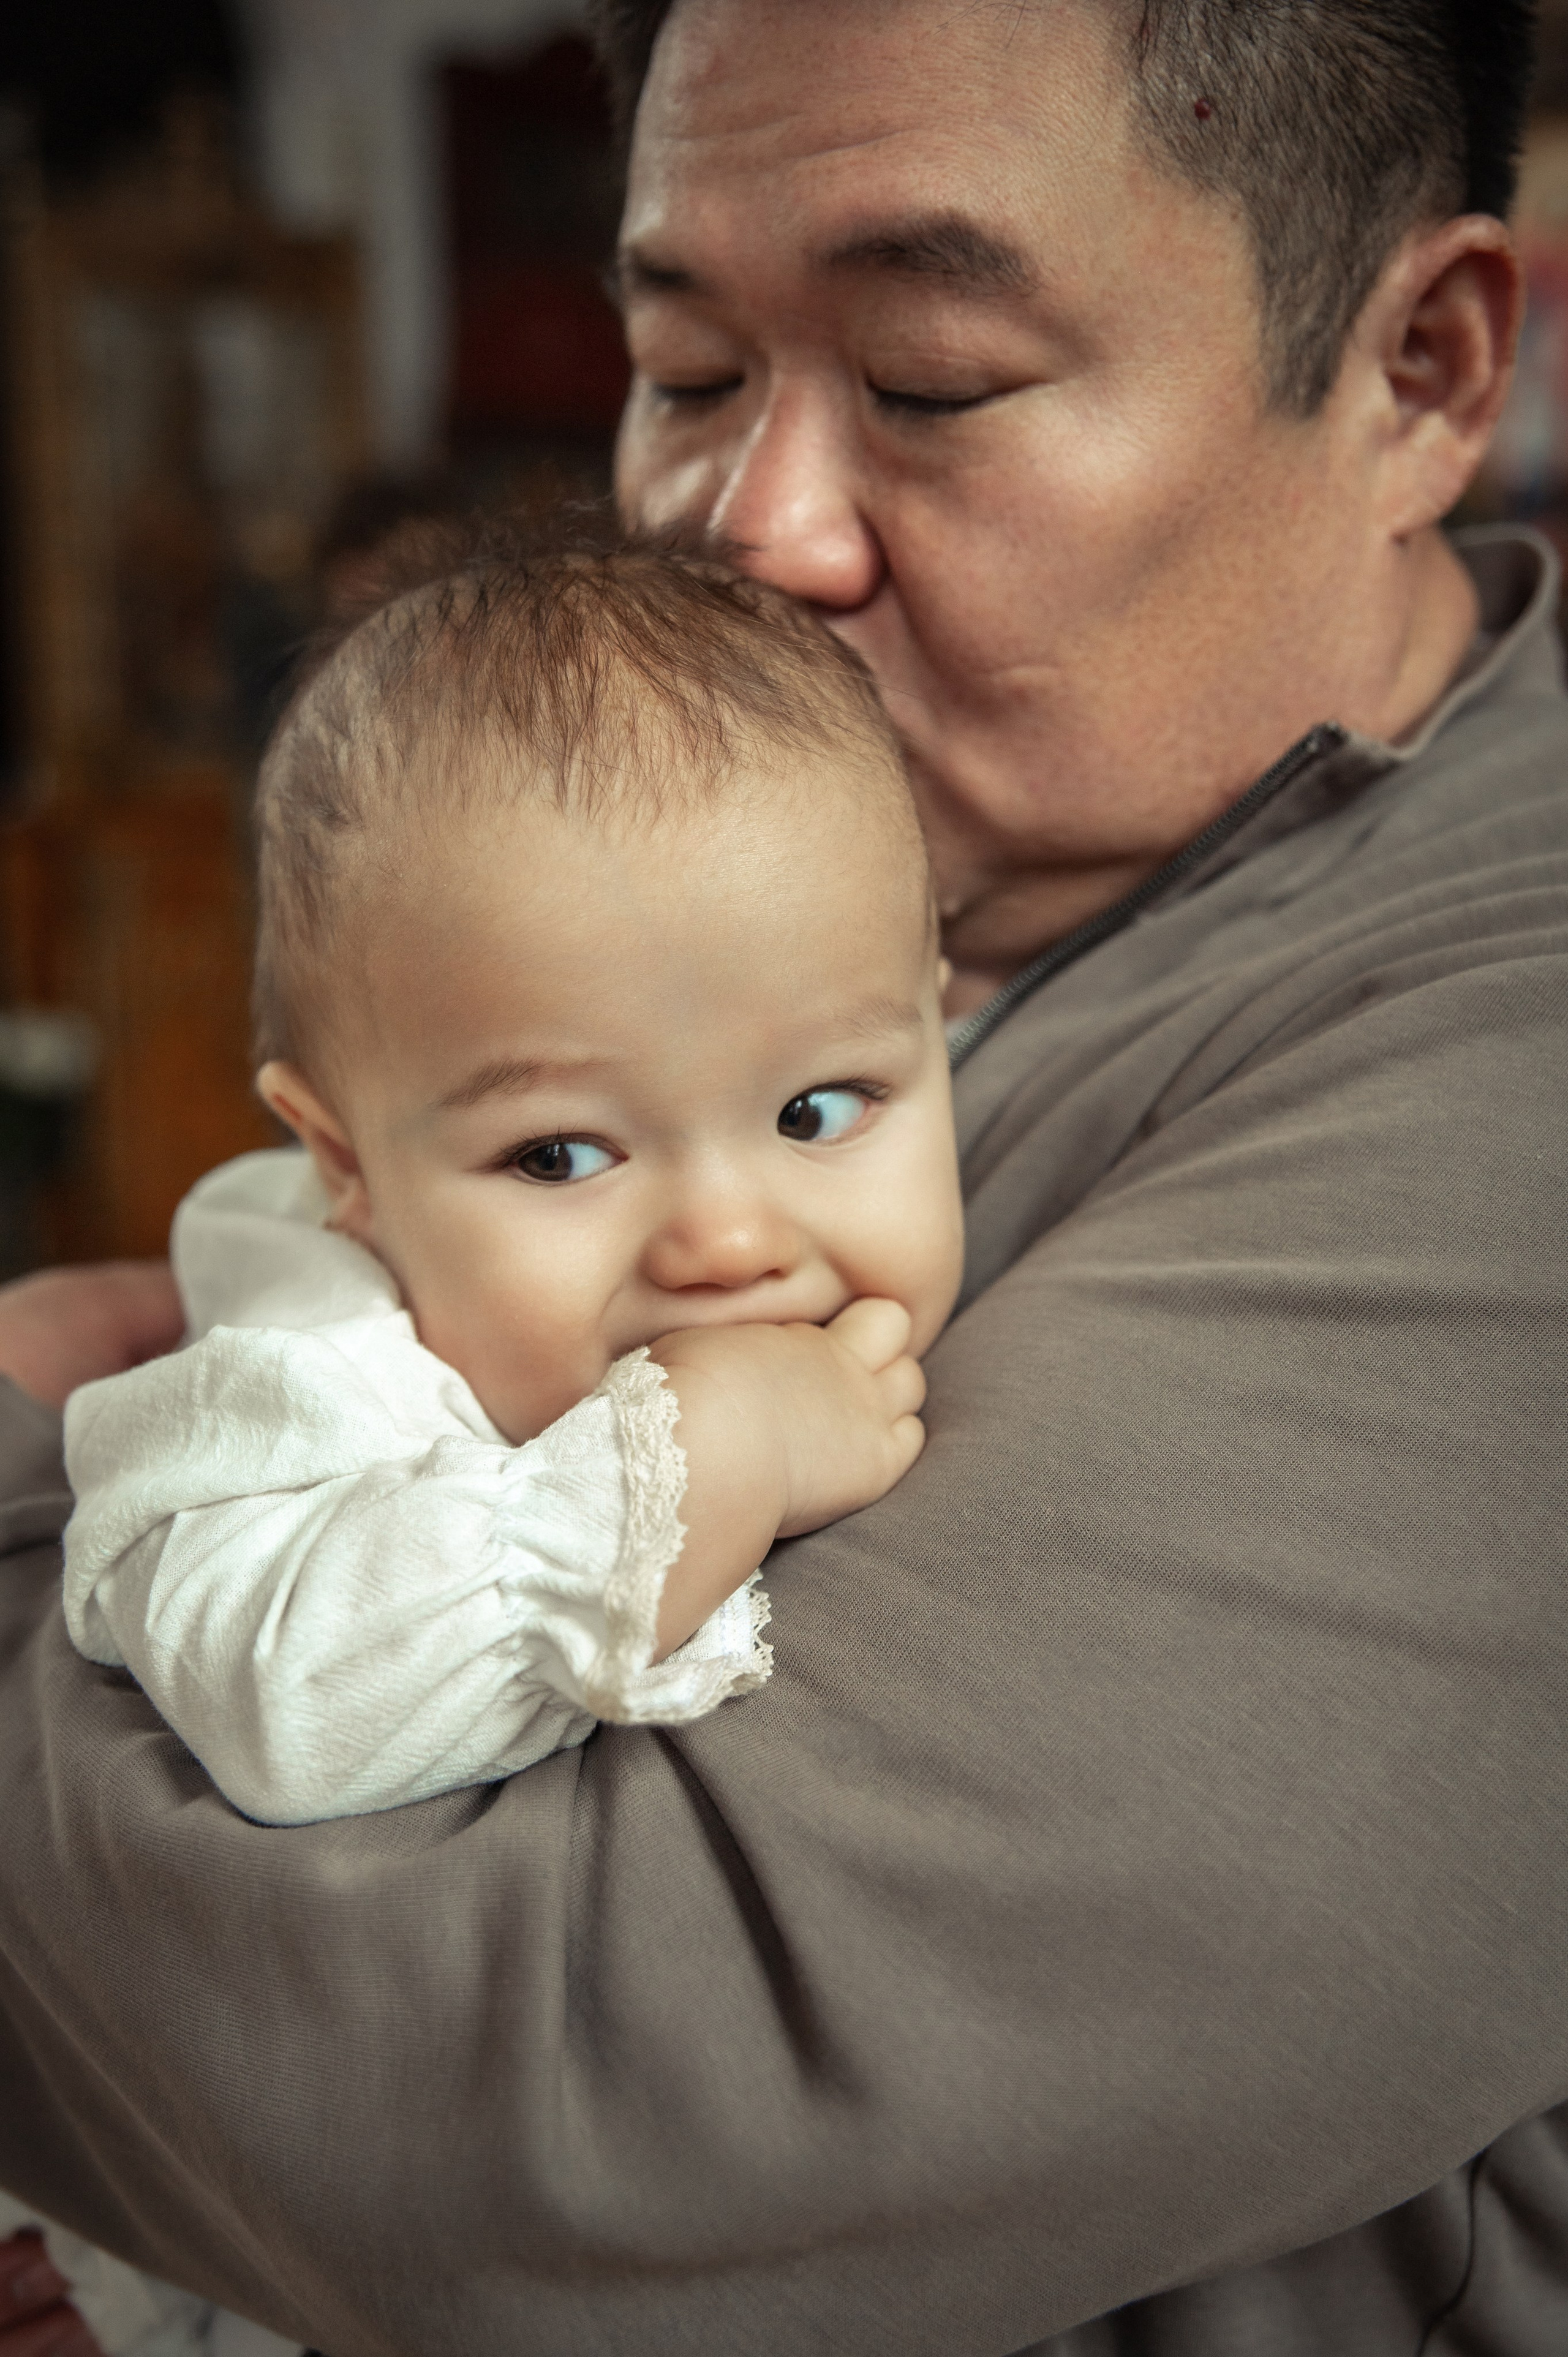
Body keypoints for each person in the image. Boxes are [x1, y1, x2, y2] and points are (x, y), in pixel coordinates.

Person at [2, 0, 1565, 2350]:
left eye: (930, 381)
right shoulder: (845, 923)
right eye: (688, 370)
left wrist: (44, 1488)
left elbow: (564, 2120)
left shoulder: (1499, 1082)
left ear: (1419, 369)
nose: (747, 534)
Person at [62, 534, 954, 1826]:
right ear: (344, 1168)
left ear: (936, 1041)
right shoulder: (302, 1385)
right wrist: (697, 1464)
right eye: (559, 1154)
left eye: (816, 1111)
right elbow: (281, 1703)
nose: (725, 1239)